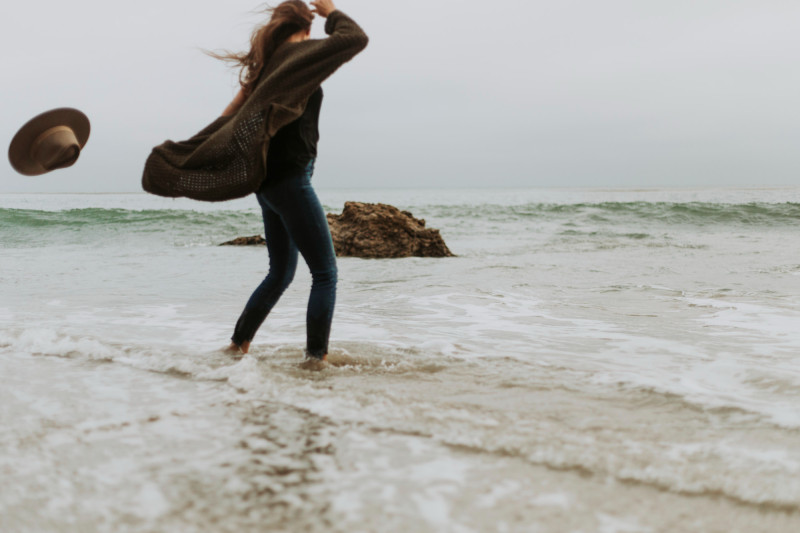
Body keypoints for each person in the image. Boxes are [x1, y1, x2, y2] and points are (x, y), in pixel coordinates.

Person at [212, 0, 367, 364]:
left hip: (266, 185)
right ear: (307, 26)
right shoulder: (299, 57)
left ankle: (237, 347)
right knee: (325, 274)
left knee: (280, 273)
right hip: (291, 180)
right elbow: (355, 38)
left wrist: (202, 152)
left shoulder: (266, 68)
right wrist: (330, 10)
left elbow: (226, 118)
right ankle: (316, 360)